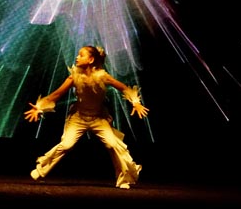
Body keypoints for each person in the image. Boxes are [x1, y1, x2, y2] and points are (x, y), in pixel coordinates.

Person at [24, 45, 149, 189]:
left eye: (81, 55)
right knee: (66, 144)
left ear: (90, 60)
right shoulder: (74, 77)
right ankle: (41, 169)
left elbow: (124, 88)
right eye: (78, 55)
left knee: (112, 144)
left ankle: (124, 178)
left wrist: (135, 102)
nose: (77, 57)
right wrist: (39, 107)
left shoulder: (103, 76)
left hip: (98, 119)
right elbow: (56, 95)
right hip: (78, 117)